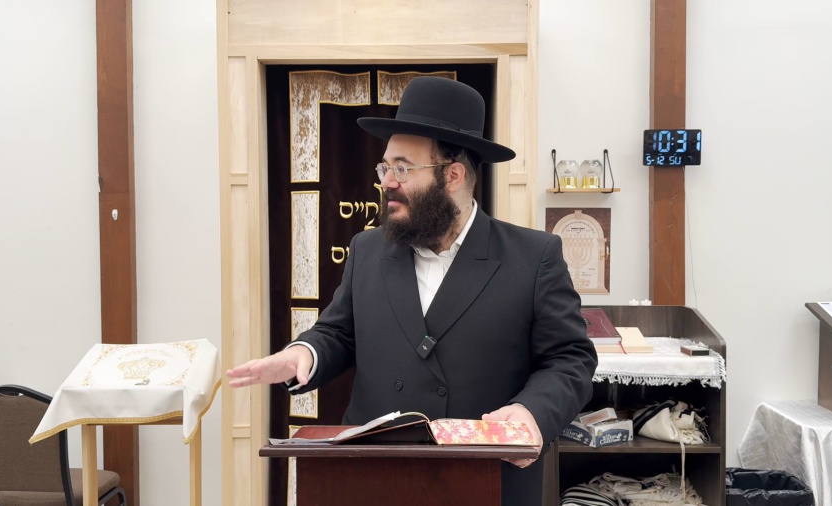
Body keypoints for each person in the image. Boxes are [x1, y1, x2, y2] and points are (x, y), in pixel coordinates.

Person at [228, 76, 598, 506]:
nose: (386, 181)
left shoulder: (533, 257)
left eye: (402, 168)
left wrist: (533, 412)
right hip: (373, 479)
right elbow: (338, 333)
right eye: (384, 168)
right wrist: (305, 354)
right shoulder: (367, 249)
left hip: (484, 481)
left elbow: (570, 360)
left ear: (453, 175)